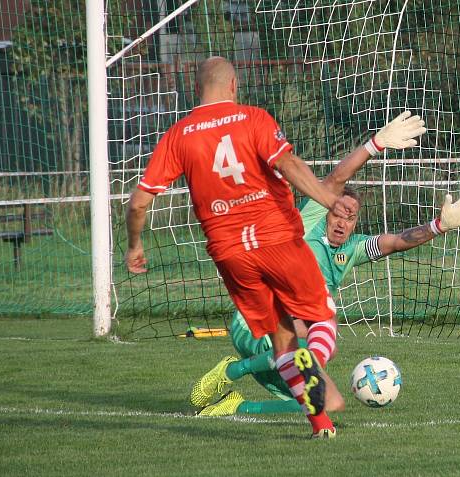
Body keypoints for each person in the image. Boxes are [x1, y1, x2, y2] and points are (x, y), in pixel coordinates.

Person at [189, 112, 460, 418]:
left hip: (287, 338)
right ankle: (232, 370)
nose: (343, 222)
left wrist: (440, 225)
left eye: (351, 217)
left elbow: (396, 241)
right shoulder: (305, 225)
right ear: (327, 209)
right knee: (309, 330)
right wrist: (375, 145)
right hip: (255, 323)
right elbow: (336, 179)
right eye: (338, 213)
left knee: (317, 399)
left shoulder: (353, 249)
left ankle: (236, 406)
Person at [125, 56, 359, 439]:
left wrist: (134, 245)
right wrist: (328, 199)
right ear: (233, 85)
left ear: (197, 87)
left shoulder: (178, 134)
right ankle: (313, 363)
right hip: (277, 239)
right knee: (323, 316)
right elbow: (289, 165)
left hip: (231, 255)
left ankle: (321, 426)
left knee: (282, 336)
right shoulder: (253, 118)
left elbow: (138, 202)